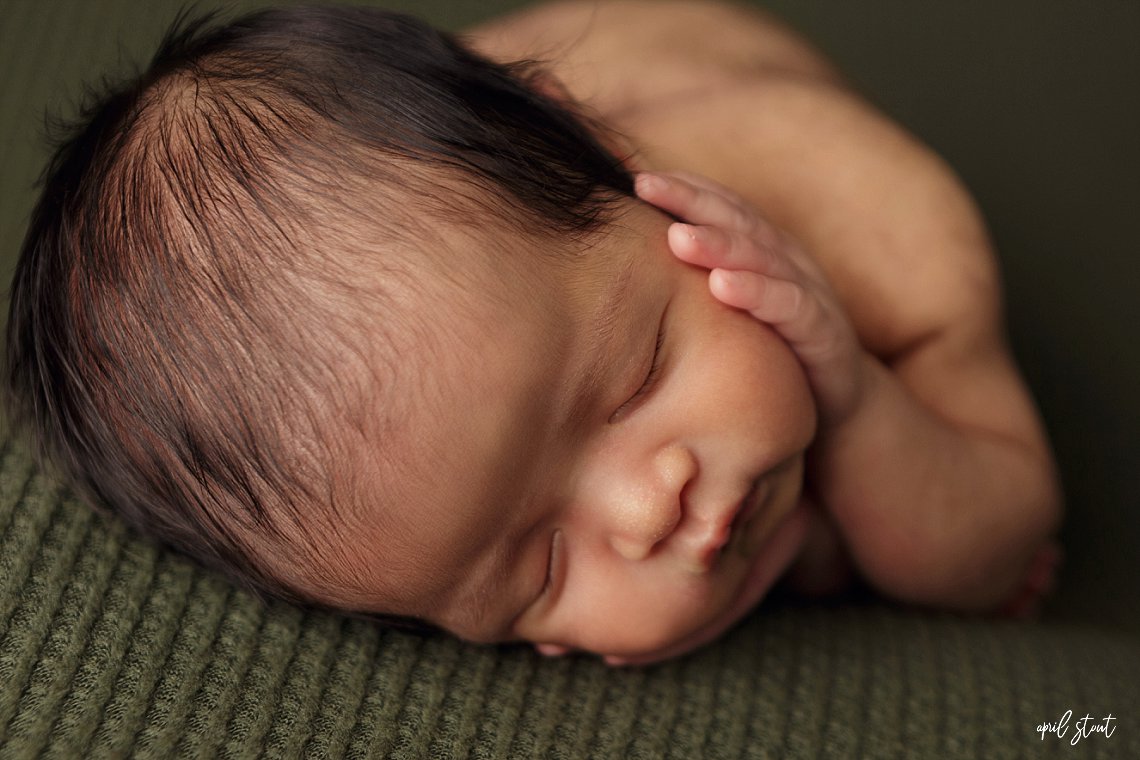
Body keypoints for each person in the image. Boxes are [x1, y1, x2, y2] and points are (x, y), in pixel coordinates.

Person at [3, 1, 1062, 667]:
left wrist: (863, 399)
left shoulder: (894, 231)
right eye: (537, 571)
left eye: (639, 375)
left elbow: (1004, 547)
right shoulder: (501, 320)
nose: (655, 511)